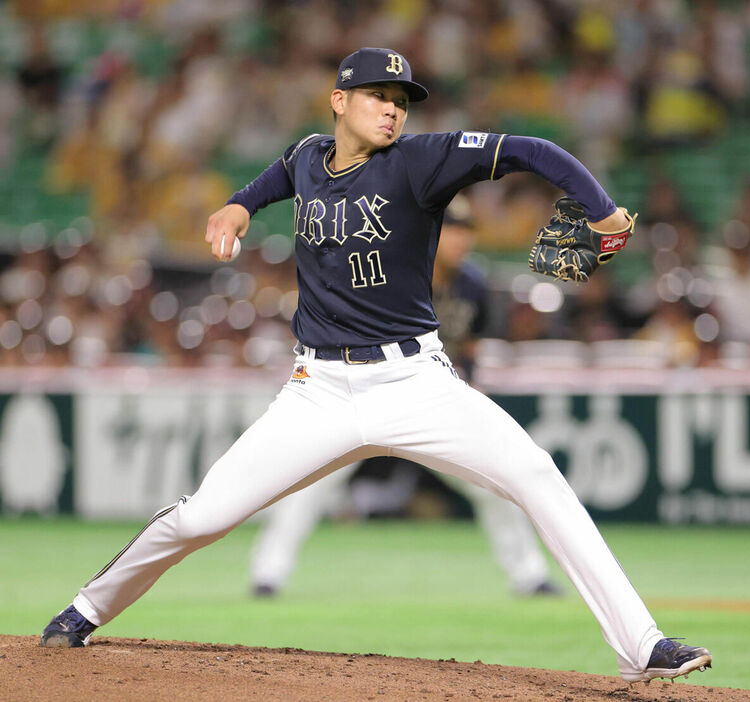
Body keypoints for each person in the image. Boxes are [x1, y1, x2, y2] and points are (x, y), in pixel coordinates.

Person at [41, 47, 711, 684]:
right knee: (201, 518)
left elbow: (531, 151)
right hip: (318, 390)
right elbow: (283, 172)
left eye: (401, 100)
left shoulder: (422, 160)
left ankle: (642, 645)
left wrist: (600, 208)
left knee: (536, 476)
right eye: (377, 96)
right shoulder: (309, 157)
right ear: (339, 100)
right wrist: (241, 202)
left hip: (414, 381)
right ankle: (84, 611)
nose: (392, 109)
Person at [251, 205, 561, 599]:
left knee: (495, 482)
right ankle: (268, 574)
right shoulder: (388, 274)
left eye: (467, 230)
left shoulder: (474, 287)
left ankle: (529, 576)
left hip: (430, 403)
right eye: (452, 229)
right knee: (311, 482)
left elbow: (470, 349)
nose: (461, 239)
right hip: (363, 395)